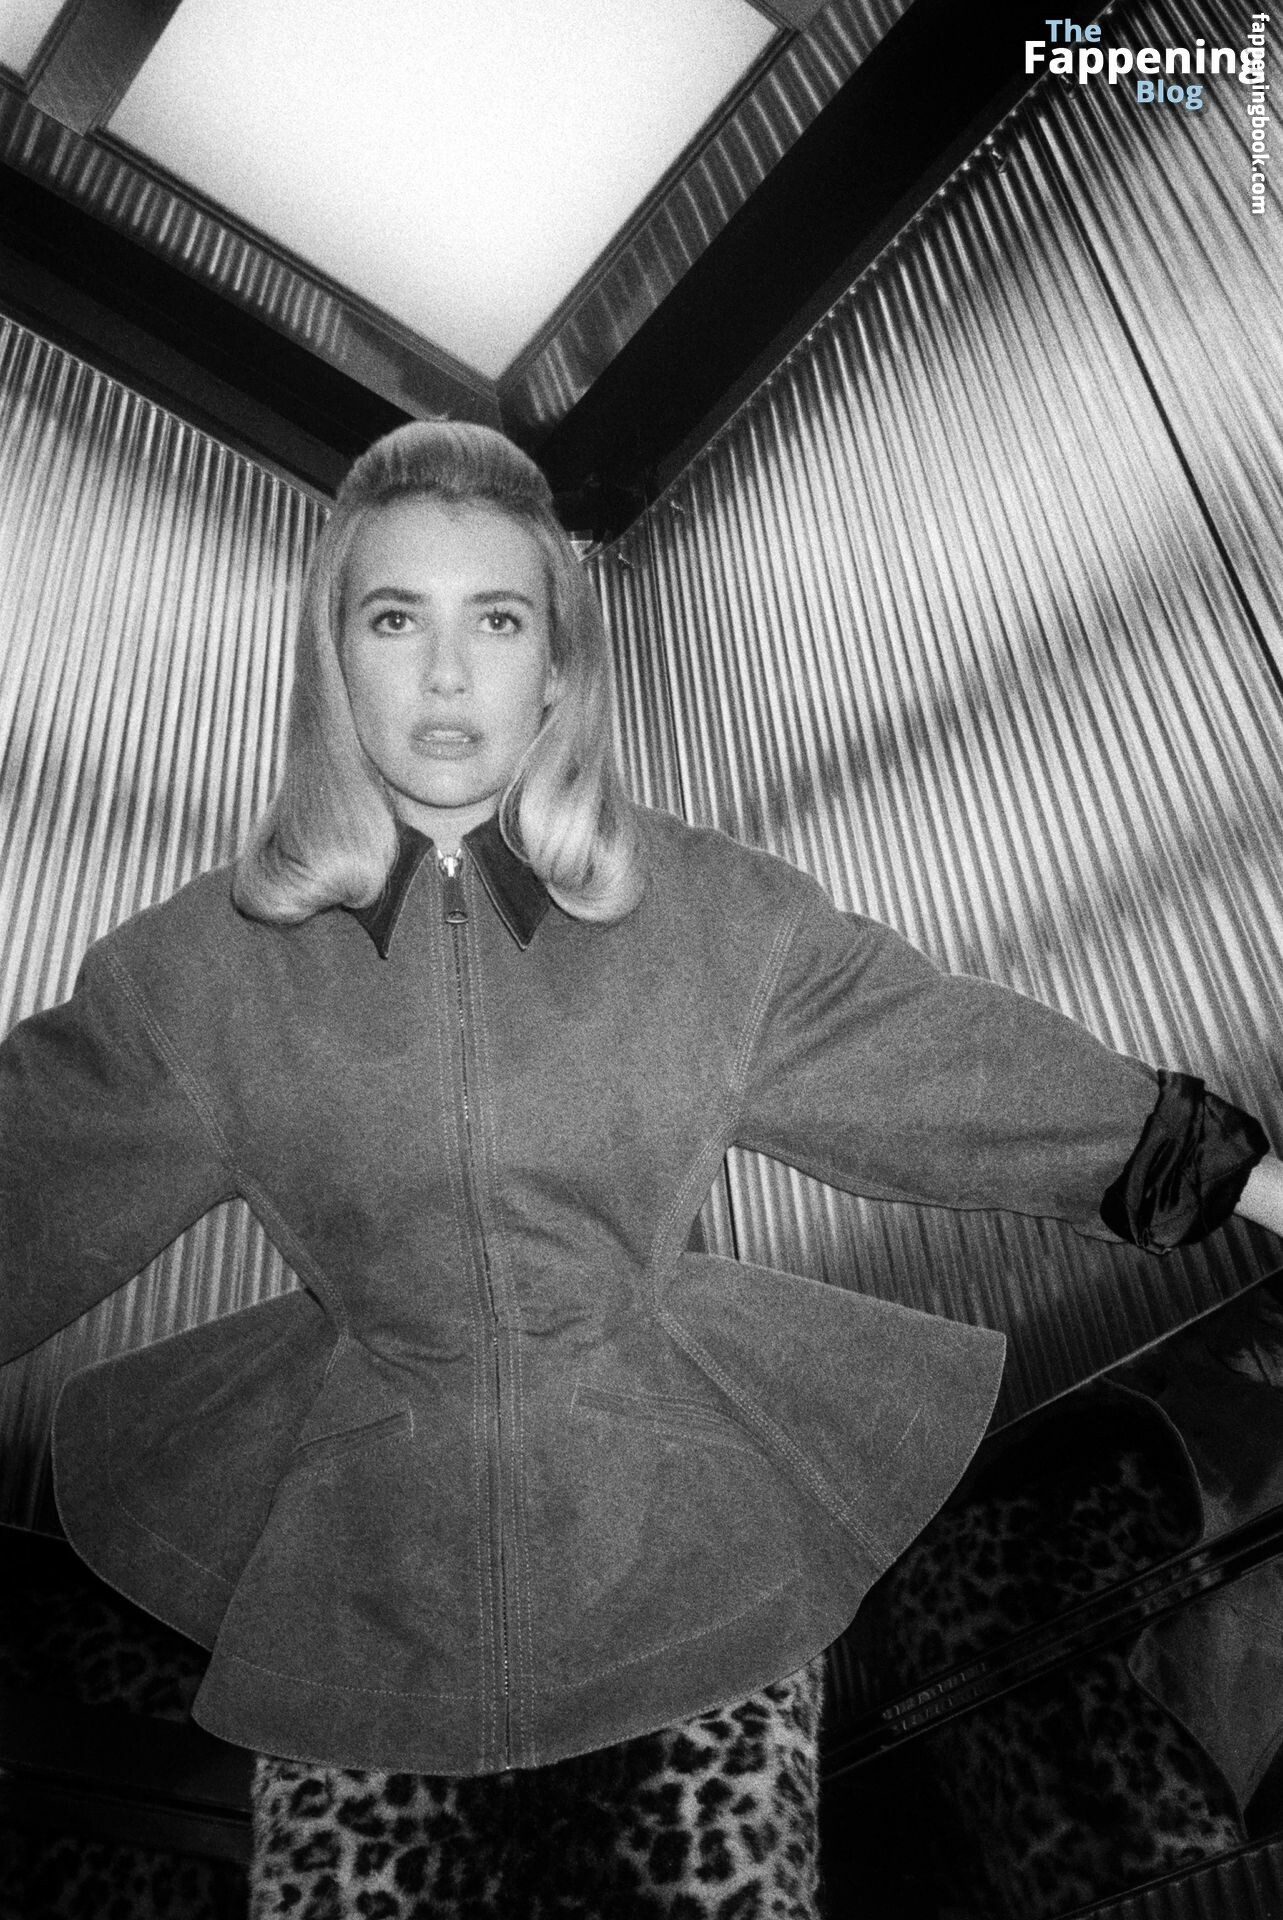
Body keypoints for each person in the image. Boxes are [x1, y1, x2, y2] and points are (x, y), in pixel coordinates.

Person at [3, 420, 1281, 1919]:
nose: (446, 673)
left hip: (691, 1579)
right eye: (395, 619)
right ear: (332, 660)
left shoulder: (713, 919)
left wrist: (1251, 1181)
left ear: (558, 665)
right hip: (362, 1613)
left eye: (498, 621)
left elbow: (951, 1067)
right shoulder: (195, 973)